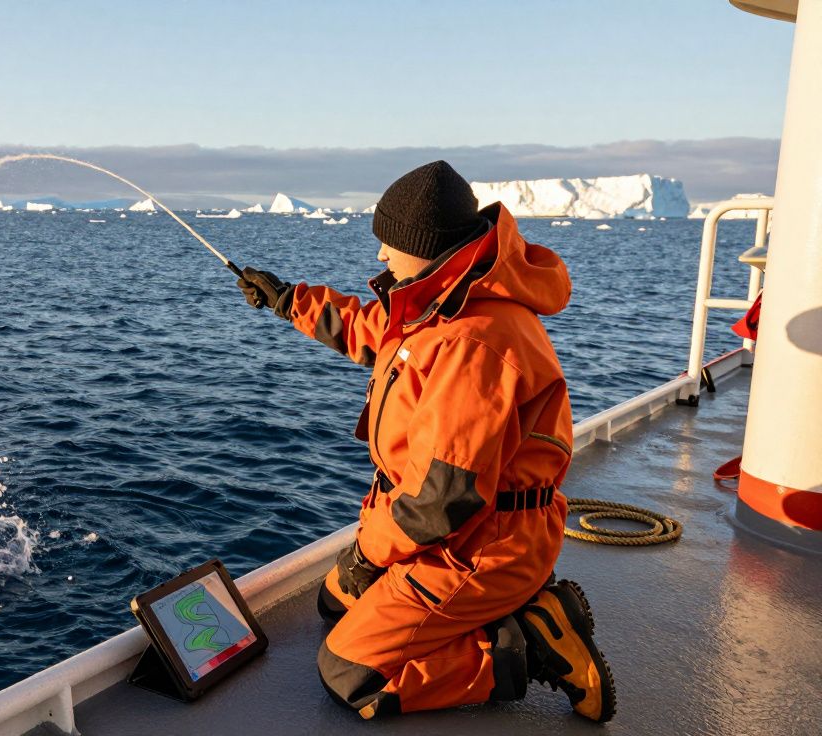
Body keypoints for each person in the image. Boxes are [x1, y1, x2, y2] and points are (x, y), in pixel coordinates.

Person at [237, 161, 615, 722]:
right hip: (444, 530)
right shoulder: (445, 302)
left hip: (484, 547)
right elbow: (375, 335)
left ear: (428, 245)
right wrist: (290, 300)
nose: (380, 258)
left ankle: (531, 644)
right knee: (332, 603)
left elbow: (443, 499)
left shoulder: (475, 344)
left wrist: (368, 555)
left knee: (348, 673)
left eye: (389, 244)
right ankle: (494, 619)